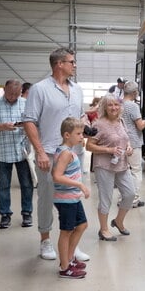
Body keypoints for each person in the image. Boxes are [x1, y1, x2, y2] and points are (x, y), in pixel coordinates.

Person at [23, 47, 90, 262]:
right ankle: (45, 239)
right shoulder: (40, 89)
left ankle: (71, 244)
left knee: (72, 198)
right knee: (47, 197)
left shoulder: (77, 89)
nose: (74, 65)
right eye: (71, 61)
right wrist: (40, 151)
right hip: (50, 154)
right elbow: (29, 121)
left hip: (73, 153)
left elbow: (79, 118)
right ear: (59, 64)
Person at [0, 79, 34, 229]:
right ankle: (5, 215)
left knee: (27, 184)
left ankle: (27, 213)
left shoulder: (25, 104)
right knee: (4, 185)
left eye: (16, 94)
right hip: (3, 152)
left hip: (22, 152)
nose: (13, 97)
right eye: (10, 94)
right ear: (4, 90)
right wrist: (1, 126)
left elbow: (33, 124)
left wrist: (24, 125)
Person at [85, 95, 136, 241]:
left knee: (130, 194)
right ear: (104, 108)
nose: (114, 108)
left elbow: (125, 140)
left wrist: (129, 147)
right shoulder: (98, 124)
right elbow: (89, 145)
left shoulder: (121, 121)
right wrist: (109, 150)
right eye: (110, 105)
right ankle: (104, 229)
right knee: (105, 197)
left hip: (122, 163)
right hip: (104, 165)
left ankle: (118, 221)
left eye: (116, 105)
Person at [51, 117, 90, 279]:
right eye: (79, 134)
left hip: (73, 198)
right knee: (66, 231)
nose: (82, 137)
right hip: (65, 199)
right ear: (67, 135)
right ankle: (65, 267)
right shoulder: (65, 153)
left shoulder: (69, 151)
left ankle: (70, 257)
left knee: (82, 225)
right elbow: (57, 176)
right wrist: (79, 185)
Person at [121, 81, 145, 208]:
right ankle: (134, 199)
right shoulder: (132, 106)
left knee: (124, 171)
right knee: (136, 170)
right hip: (133, 142)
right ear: (134, 93)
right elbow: (140, 125)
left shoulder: (118, 104)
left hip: (121, 141)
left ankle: (124, 198)